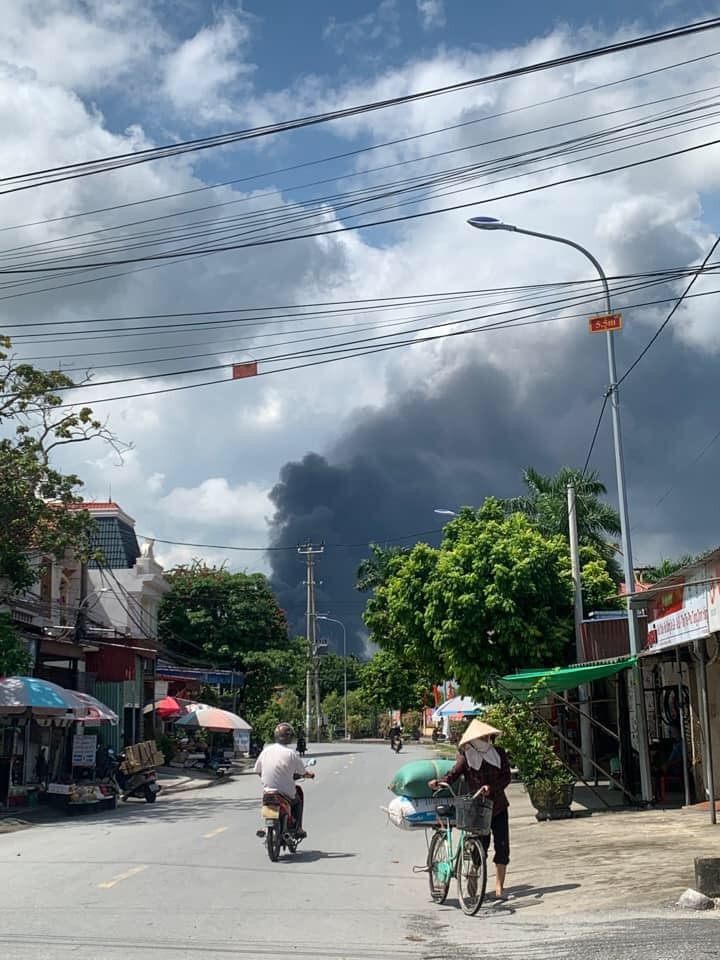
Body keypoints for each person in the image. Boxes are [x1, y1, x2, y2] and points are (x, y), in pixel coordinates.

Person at [428, 719, 512, 902]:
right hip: (477, 807)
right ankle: (474, 873)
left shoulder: (498, 753)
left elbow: (506, 777)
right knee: (480, 845)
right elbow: (453, 774)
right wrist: (440, 782)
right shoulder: (466, 757)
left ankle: (499, 886)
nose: (486, 739)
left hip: (498, 806)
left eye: (488, 736)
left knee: (503, 846)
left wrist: (492, 787)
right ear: (474, 739)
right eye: (483, 736)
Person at [254, 722, 314, 838]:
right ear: (289, 737)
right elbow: (302, 772)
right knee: (298, 799)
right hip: (286, 792)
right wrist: (309, 775)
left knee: (267, 803)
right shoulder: (291, 754)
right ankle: (298, 828)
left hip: (268, 792)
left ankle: (266, 826)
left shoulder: (266, 751)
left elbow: (258, 770)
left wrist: (265, 779)